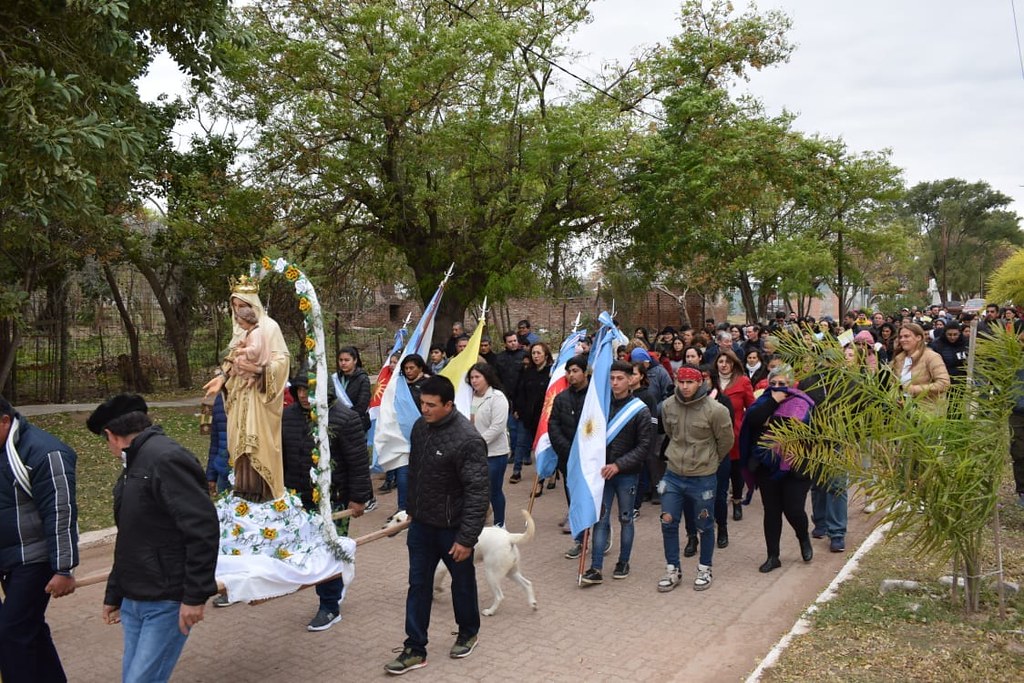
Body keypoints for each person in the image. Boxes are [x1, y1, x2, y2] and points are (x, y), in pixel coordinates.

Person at [90, 394, 219, 683]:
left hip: (165, 599)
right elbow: (130, 536)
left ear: (111, 435)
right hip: (134, 597)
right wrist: (115, 592)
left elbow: (203, 528)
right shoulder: (133, 464)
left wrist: (195, 596)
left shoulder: (166, 459)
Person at [384, 376, 488, 675]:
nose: (425, 410)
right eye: (422, 404)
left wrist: (467, 539)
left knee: (462, 584)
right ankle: (415, 648)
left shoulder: (468, 440)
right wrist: (413, 511)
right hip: (421, 528)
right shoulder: (420, 428)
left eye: (431, 405)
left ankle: (468, 632)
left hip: (454, 530)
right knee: (418, 585)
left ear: (449, 405)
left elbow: (478, 493)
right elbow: (417, 474)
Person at [281, 375, 372, 631]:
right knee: (310, 548)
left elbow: (357, 462)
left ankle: (330, 605)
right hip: (300, 498)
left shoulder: (345, 418)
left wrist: (358, 498)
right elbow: (284, 457)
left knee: (330, 550)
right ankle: (332, 585)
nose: (302, 395)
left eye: (308, 390)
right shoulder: (288, 417)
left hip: (335, 498)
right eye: (298, 389)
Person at [0, 396, 78, 683]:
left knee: (11, 634)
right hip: (9, 557)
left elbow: (61, 512)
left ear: (5, 421)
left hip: (35, 559)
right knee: (28, 628)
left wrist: (63, 568)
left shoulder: (45, 453)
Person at [203, 277, 290, 500]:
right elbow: (231, 361)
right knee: (239, 446)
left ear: (253, 305)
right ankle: (243, 493)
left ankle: (264, 494)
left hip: (260, 399)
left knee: (258, 446)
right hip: (239, 398)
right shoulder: (240, 331)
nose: (238, 311)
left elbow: (281, 362)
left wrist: (259, 370)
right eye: (235, 306)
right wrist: (221, 379)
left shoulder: (270, 327)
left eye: (243, 306)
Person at [657, 365, 733, 592]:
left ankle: (704, 568)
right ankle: (673, 569)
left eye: (690, 382)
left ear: (700, 382)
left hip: (703, 478)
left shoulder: (716, 410)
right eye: (681, 382)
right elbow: (671, 435)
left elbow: (726, 441)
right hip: (672, 475)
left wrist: (708, 460)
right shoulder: (668, 405)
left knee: (705, 524)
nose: (685, 386)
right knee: (667, 521)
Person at [580, 361, 654, 586]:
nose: (614, 383)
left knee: (625, 518)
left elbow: (643, 447)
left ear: (631, 379)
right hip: (602, 472)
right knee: (600, 520)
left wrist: (619, 465)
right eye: (611, 378)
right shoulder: (601, 404)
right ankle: (596, 567)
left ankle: (623, 561)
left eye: (619, 378)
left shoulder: (640, 409)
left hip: (626, 474)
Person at [739, 365, 816, 573]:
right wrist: (774, 401)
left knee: (793, 509)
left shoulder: (802, 402)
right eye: (773, 384)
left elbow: (806, 432)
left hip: (796, 466)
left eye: (782, 384)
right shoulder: (764, 400)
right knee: (771, 511)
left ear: (791, 384)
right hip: (767, 466)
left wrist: (771, 422)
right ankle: (773, 556)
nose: (778, 387)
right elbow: (753, 419)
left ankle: (803, 538)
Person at [549, 355, 590, 559]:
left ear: (585, 372)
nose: (571, 375)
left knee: (593, 500)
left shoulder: (596, 396)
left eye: (575, 371)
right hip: (568, 460)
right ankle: (579, 539)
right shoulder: (561, 398)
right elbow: (553, 426)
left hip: (591, 460)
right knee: (574, 501)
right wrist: (568, 450)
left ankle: (600, 535)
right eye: (569, 371)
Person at [712, 349, 755, 534]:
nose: (723, 365)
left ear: (733, 364)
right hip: (713, 434)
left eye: (727, 362)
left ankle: (737, 500)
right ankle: (718, 504)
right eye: (721, 361)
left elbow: (751, 406)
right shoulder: (711, 382)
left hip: (736, 432)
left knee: (736, 471)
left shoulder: (743, 381)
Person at [467, 363, 510, 527]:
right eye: (471, 377)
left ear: (487, 377)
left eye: (477, 377)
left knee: (493, 490)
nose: (474, 381)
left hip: (494, 453)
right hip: (472, 452)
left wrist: (477, 443)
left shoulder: (497, 397)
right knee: (475, 490)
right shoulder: (468, 396)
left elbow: (497, 427)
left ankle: (500, 523)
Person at [509, 342, 552, 486]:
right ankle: (516, 471)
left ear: (546, 355)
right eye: (533, 353)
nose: (536, 356)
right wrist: (518, 409)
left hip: (543, 417)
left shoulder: (551, 373)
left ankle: (543, 476)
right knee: (520, 444)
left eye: (539, 353)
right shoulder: (527, 372)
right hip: (526, 415)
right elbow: (520, 392)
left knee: (541, 446)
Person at [892, 322, 950, 414]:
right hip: (903, 411)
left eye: (907, 336)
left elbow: (944, 383)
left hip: (926, 412)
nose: (902, 339)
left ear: (919, 337)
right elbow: (894, 383)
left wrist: (914, 389)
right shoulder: (899, 359)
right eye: (901, 337)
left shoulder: (932, 357)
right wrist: (896, 398)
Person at [334, 347, 372, 431]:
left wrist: (347, 419)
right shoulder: (336, 378)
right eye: (340, 360)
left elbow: (362, 406)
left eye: (347, 360)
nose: (343, 363)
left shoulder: (363, 379)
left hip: (358, 424)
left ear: (355, 361)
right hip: (338, 424)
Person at [205, 391, 230, 494]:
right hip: (224, 472)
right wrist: (211, 476)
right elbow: (215, 441)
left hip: (251, 474)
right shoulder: (220, 399)